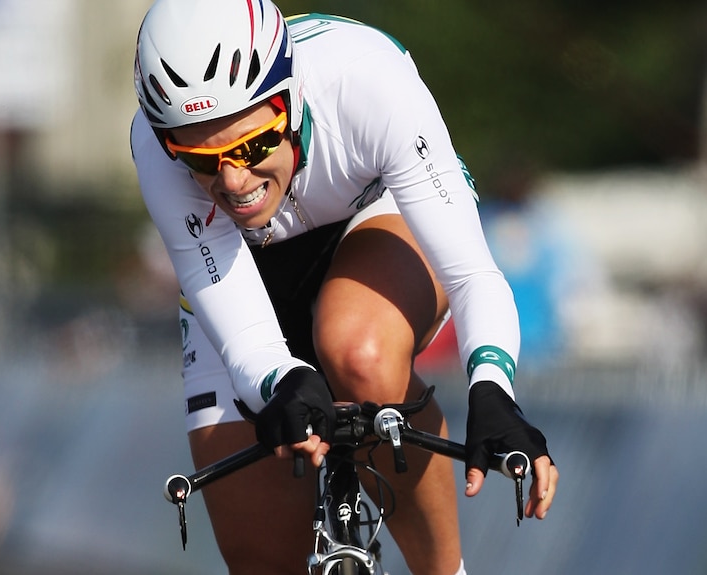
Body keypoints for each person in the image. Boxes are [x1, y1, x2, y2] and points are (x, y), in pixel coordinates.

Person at [131, 1, 558, 573]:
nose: (234, 182)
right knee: (261, 555)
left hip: (372, 218)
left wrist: (492, 389)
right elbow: (247, 343)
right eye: (201, 159)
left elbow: (472, 274)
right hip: (246, 269)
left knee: (360, 353)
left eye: (253, 146)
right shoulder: (157, 153)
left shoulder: (366, 81)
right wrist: (282, 380)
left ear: (289, 97)